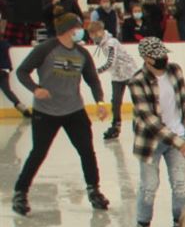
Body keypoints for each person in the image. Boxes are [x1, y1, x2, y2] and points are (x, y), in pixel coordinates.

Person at [14, 15, 114, 215]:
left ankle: (94, 190)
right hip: (46, 111)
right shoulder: (46, 49)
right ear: (70, 29)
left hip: (74, 110)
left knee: (86, 150)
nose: (80, 31)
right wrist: (35, 89)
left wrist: (100, 102)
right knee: (38, 152)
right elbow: (22, 71)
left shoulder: (82, 53)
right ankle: (20, 193)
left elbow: (92, 80)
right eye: (78, 28)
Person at [126, 37, 185, 227]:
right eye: (157, 56)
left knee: (180, 186)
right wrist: (178, 142)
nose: (163, 59)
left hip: (177, 136)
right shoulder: (137, 82)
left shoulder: (174, 71)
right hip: (150, 143)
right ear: (146, 58)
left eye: (164, 54)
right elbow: (149, 119)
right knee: (149, 187)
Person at [87, 20, 143, 142]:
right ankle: (116, 126)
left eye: (94, 33)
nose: (92, 37)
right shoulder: (103, 44)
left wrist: (96, 71)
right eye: (91, 34)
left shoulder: (111, 43)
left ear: (101, 31)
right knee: (116, 102)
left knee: (137, 100)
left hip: (130, 74)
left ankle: (141, 122)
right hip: (117, 76)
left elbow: (110, 62)